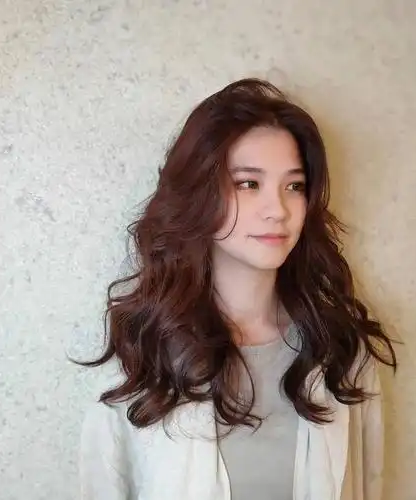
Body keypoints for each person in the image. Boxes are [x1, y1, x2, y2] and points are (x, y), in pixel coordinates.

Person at [77, 78, 397, 500]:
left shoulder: (341, 351)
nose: (277, 210)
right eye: (249, 183)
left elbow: (368, 485)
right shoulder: (140, 355)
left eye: (294, 186)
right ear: (200, 194)